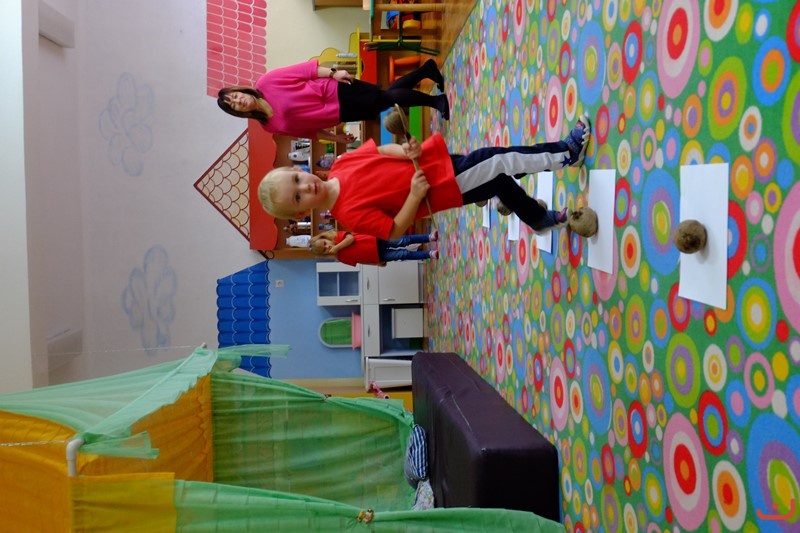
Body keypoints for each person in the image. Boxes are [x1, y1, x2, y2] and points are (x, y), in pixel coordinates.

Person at [257, 115, 591, 240]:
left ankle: (536, 219)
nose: (306, 187)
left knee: (499, 181)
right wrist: (415, 196)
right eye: (298, 197)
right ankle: (567, 153)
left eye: (297, 181)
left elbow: (382, 152)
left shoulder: (342, 163)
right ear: (302, 213)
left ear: (298, 170)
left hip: (436, 164)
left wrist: (406, 151)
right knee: (499, 161)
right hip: (443, 186)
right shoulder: (349, 216)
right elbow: (393, 229)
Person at [217, 58, 448, 143]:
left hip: (333, 91)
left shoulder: (266, 82)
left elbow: (304, 71)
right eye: (234, 105)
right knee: (383, 99)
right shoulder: (268, 126)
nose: (239, 101)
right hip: (337, 114)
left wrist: (333, 73)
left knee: (384, 98)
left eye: (235, 97)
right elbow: (309, 132)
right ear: (239, 112)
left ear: (240, 90)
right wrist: (335, 137)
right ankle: (426, 70)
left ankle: (435, 102)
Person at [309, 229, 439, 266]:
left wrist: (337, 247)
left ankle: (428, 237)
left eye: (325, 243)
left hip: (376, 240)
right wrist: (375, 264)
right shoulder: (340, 258)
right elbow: (360, 261)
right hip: (377, 256)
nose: (328, 246)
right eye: (325, 249)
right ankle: (429, 254)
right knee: (403, 254)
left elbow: (351, 239)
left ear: (325, 238)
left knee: (403, 240)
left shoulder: (337, 237)